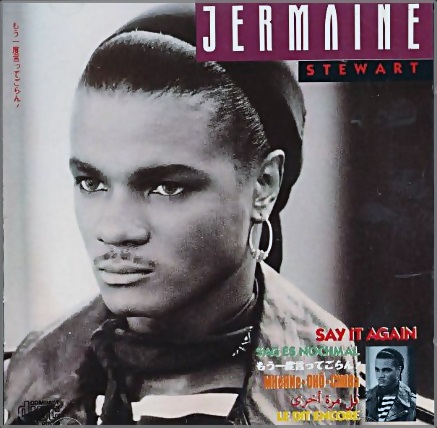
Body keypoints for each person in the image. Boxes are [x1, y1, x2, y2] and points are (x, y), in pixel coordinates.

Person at [4, 4, 360, 425]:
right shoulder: (18, 393)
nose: (114, 229)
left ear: (264, 185)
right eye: (91, 183)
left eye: (166, 187)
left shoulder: (363, 405)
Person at [365, 348, 416, 422]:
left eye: (386, 370)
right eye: (377, 370)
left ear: (398, 370)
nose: (380, 375)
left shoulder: (411, 403)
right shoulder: (367, 398)